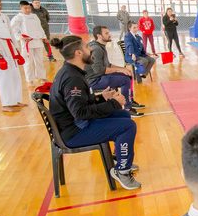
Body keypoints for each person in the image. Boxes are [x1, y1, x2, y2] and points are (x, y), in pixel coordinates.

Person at [48, 36, 141, 190]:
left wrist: (101, 98)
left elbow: (79, 104)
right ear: (78, 53)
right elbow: (80, 112)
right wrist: (113, 103)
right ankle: (122, 171)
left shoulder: (72, 71)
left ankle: (121, 159)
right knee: (128, 126)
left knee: (124, 116)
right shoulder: (72, 79)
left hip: (74, 125)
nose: (90, 50)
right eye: (86, 47)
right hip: (73, 133)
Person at [85, 25, 145, 118]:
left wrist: (123, 69)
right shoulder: (96, 49)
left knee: (128, 75)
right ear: (99, 36)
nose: (110, 35)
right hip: (94, 80)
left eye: (109, 32)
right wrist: (119, 70)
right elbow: (99, 70)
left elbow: (108, 65)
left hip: (99, 76)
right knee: (125, 80)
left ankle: (130, 100)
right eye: (106, 33)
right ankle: (127, 109)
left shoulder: (100, 46)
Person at [0, 0, 26, 112]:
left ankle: (15, 100)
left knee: (14, 74)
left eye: (0, 1)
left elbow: (11, 33)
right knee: (4, 76)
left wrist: (16, 50)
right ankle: (6, 104)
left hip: (10, 46)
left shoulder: (4, 16)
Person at [10, 1, 47, 85]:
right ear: (21, 8)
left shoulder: (34, 16)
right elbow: (12, 30)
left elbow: (39, 27)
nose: (27, 10)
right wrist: (20, 37)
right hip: (27, 43)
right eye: (25, 8)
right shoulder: (18, 17)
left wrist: (44, 37)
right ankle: (29, 79)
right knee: (28, 62)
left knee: (39, 60)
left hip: (37, 40)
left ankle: (42, 77)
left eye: (29, 8)